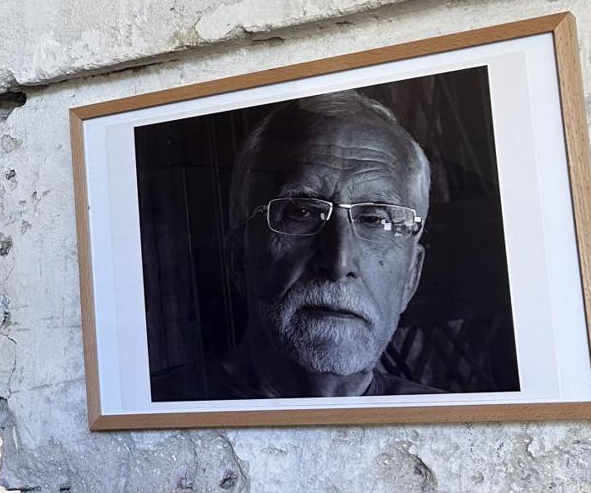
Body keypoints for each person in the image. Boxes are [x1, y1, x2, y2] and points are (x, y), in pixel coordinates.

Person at [152, 90, 438, 400]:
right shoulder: (158, 406)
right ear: (238, 258)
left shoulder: (452, 428)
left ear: (411, 276)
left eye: (373, 219)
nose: (338, 262)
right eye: (302, 212)